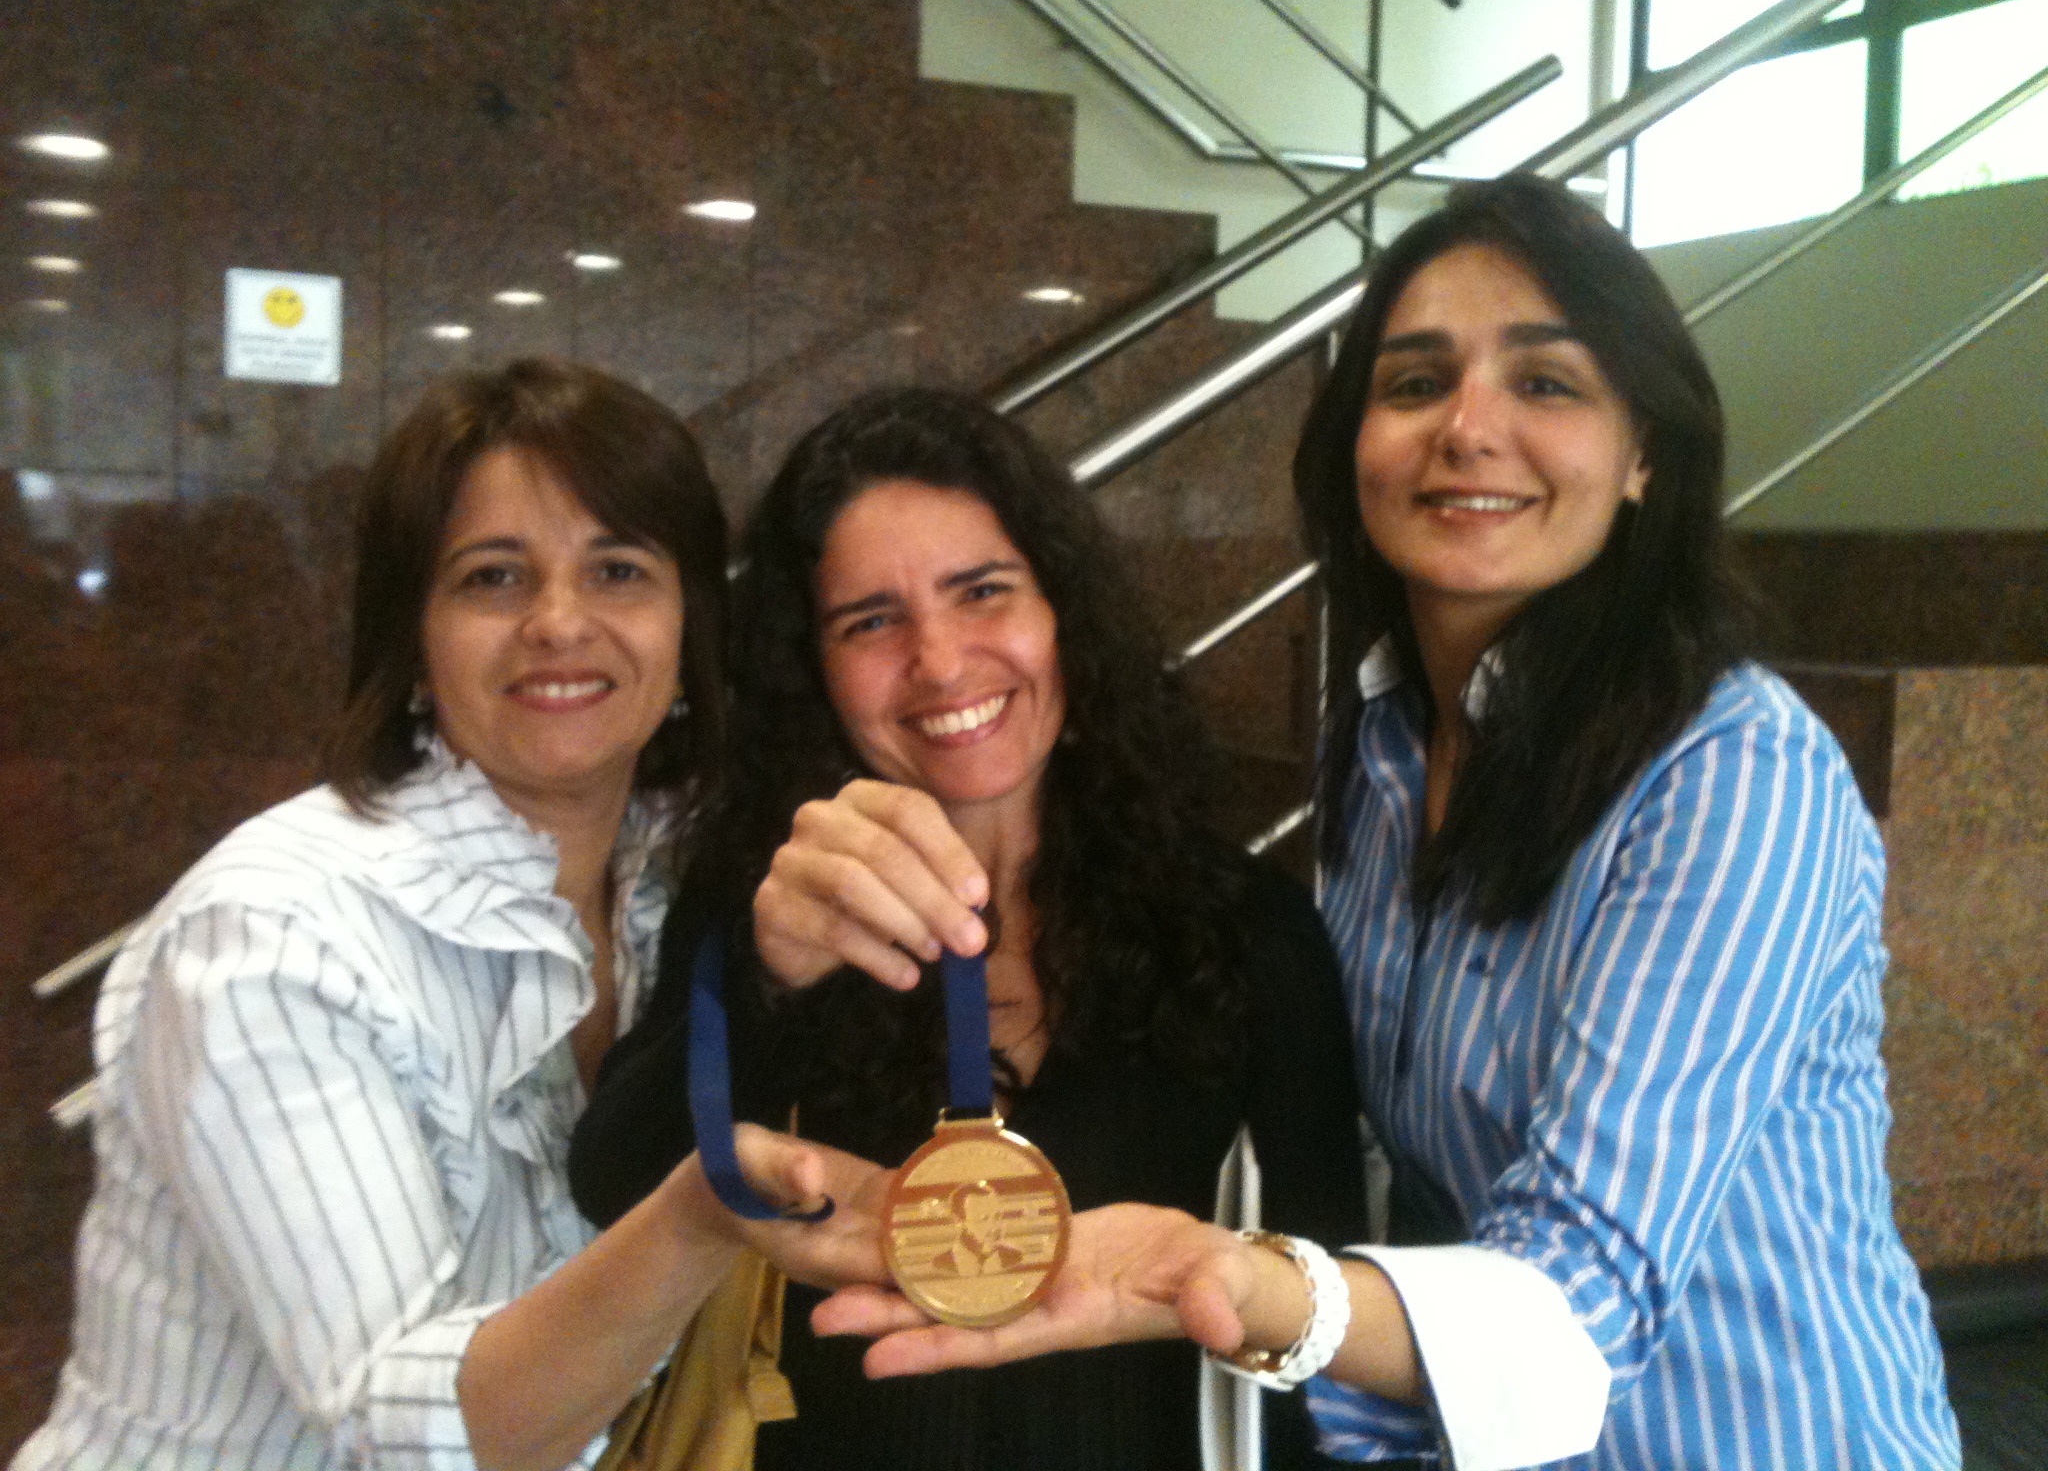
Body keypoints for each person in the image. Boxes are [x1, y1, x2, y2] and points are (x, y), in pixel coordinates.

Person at [788, 179, 1964, 1470]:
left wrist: (1236, 1282)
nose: (1467, 429)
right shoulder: (1389, 747)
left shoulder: (1731, 773)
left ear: (1643, 455)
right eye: (1414, 384)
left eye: (1546, 383)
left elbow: (1579, 1300)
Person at [15, 359, 884, 1471]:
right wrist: (700, 1217)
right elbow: (411, 1436)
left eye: (618, 570)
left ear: (686, 632)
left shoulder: (679, 876)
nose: (559, 623)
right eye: (493, 578)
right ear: (413, 641)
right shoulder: (274, 937)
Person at [567, 388, 1367, 1471]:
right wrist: (764, 980)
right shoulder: (768, 906)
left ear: (1061, 612)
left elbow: (1320, 1308)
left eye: (981, 592)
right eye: (870, 621)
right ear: (812, 668)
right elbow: (613, 1187)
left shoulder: (1241, 926)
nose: (939, 662)